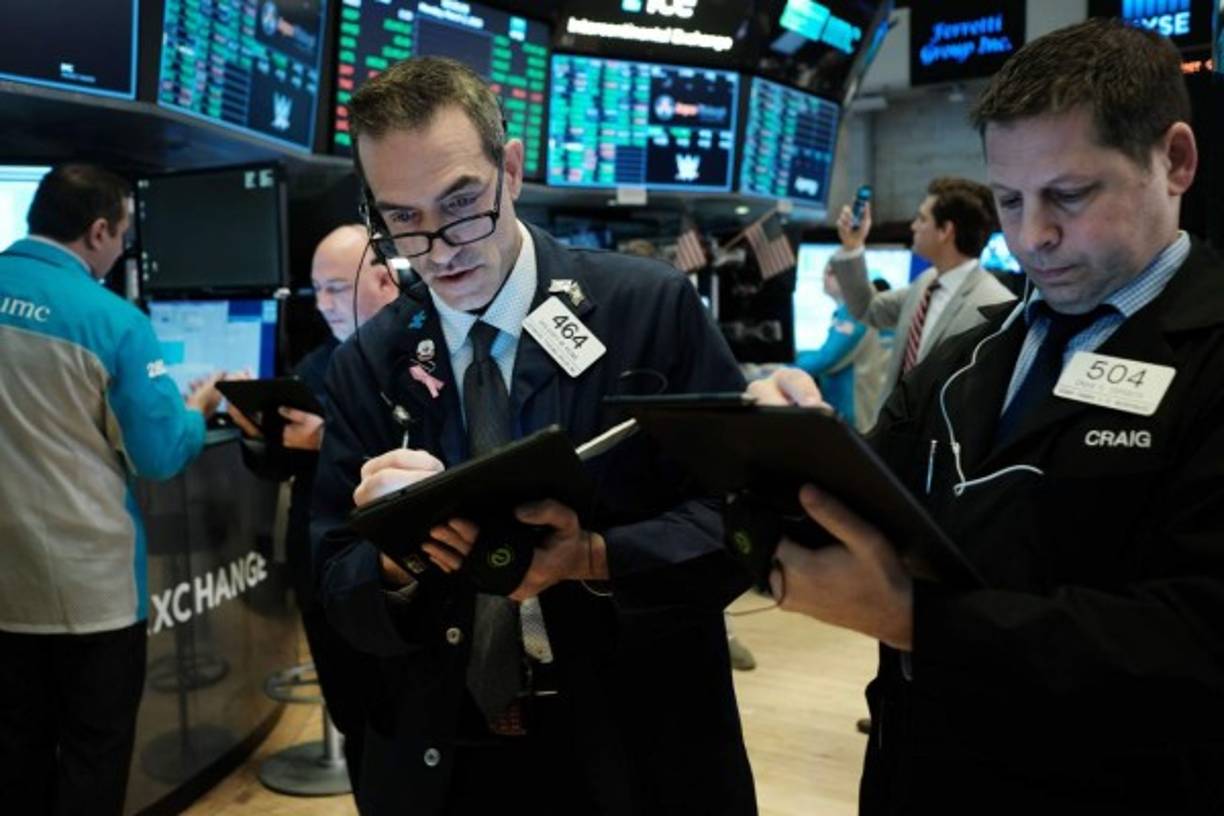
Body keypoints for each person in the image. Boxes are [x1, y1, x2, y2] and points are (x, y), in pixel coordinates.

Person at [750, 18, 1224, 813]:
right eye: (1009, 200)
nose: (1033, 236)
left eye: (1069, 196)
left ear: (1174, 161)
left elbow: (1195, 639)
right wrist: (786, 450)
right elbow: (866, 501)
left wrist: (922, 623)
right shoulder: (970, 356)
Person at [311, 57, 755, 815]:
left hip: (635, 743)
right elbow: (330, 578)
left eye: (461, 204)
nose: (440, 249)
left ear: (510, 170)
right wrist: (390, 557)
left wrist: (593, 557)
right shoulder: (369, 363)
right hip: (448, 757)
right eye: (404, 220)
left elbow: (743, 521)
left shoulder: (648, 310)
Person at [0, 163, 223, 815]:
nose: (122, 249)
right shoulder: (114, 322)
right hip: (88, 592)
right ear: (98, 231)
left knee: (14, 756)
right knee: (92, 759)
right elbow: (158, 455)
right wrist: (198, 409)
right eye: (123, 235)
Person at [228, 223, 400, 792]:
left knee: (399, 721)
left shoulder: (423, 355)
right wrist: (259, 434)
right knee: (352, 717)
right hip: (321, 566)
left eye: (336, 288)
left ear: (384, 280)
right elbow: (277, 466)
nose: (324, 303)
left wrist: (328, 441)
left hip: (395, 568)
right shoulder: (318, 363)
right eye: (317, 290)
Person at [832, 176, 1014, 423]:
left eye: (922, 219)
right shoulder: (926, 282)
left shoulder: (995, 304)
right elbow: (868, 309)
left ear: (945, 231)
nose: (914, 226)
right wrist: (853, 246)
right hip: (893, 429)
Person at [795, 263, 887, 432]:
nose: (824, 277)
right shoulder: (846, 311)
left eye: (831, 273)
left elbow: (827, 358)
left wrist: (782, 367)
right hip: (844, 405)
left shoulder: (853, 312)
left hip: (852, 409)